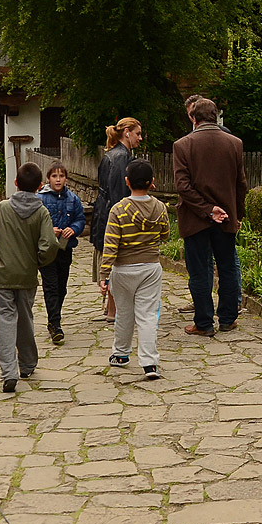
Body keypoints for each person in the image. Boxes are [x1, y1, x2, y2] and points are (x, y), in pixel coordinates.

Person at [173, 98, 247, 337]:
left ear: (194, 118)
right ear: (215, 116)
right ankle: (227, 319)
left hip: (195, 218)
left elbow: (183, 186)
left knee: (199, 271)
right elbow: (241, 184)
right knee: (226, 268)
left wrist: (206, 209)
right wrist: (237, 214)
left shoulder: (183, 145)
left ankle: (204, 323)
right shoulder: (235, 143)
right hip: (226, 217)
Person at [0, 162, 58, 393]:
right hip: (26, 274)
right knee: (25, 318)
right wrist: (37, 261)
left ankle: (9, 372)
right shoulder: (42, 212)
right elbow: (49, 245)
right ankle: (27, 363)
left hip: (1, 273)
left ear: (16, 183)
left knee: (4, 321)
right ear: (40, 186)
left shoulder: (2, 207)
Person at [99, 159, 170, 380]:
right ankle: (150, 363)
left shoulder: (118, 209)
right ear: (153, 182)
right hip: (150, 267)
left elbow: (110, 245)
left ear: (127, 181)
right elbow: (165, 235)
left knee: (124, 313)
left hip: (123, 270)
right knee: (148, 316)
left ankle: (120, 354)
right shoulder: (160, 207)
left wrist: (104, 274)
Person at [89, 117, 142, 321]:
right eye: (137, 133)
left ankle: (111, 309)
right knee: (114, 258)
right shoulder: (120, 157)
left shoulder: (117, 154)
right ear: (126, 132)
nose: (140, 138)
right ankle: (113, 311)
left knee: (112, 258)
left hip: (105, 211)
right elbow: (118, 193)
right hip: (110, 213)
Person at [37, 161, 86, 344]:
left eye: (61, 176)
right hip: (47, 249)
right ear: (48, 178)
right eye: (54, 176)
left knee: (61, 287)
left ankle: (54, 315)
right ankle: (55, 323)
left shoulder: (73, 199)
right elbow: (37, 223)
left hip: (65, 249)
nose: (58, 179)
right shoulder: (41, 199)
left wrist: (73, 229)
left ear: (66, 178)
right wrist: (51, 230)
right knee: (50, 286)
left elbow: (80, 219)